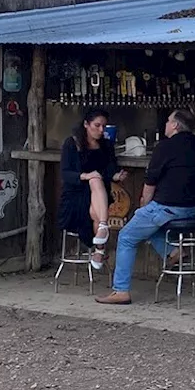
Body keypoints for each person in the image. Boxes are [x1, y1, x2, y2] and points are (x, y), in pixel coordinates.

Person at [97, 109, 195, 305]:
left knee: (126, 236)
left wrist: (143, 206)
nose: (165, 124)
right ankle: (173, 252)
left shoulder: (165, 147)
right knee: (147, 225)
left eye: (168, 121)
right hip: (191, 209)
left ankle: (121, 291)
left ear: (175, 125)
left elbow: (150, 183)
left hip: (166, 208)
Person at [58, 108, 126, 269]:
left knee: (96, 187)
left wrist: (116, 176)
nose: (101, 130)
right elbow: (66, 173)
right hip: (75, 195)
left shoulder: (107, 145)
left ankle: (102, 234)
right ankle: (100, 247)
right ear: (86, 125)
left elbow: (110, 170)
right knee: (94, 181)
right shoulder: (72, 143)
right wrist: (86, 176)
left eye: (104, 126)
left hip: (99, 195)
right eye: (97, 125)